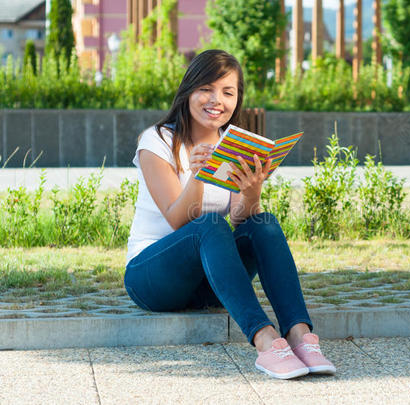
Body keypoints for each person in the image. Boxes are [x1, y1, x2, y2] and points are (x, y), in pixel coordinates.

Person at [123, 49, 335, 380]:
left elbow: (239, 221)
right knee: (207, 223)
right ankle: (266, 341)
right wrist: (198, 174)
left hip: (209, 282)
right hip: (152, 279)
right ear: (188, 90)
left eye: (228, 92)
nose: (216, 100)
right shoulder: (158, 140)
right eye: (206, 88)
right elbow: (179, 220)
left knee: (263, 224)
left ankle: (298, 334)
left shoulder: (233, 146)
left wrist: (252, 190)